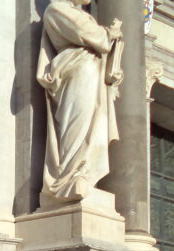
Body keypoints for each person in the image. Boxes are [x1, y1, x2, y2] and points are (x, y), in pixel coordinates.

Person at [37, 0, 123, 202]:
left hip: (90, 71)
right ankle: (69, 176)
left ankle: (83, 171)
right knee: (77, 123)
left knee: (94, 126)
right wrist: (109, 34)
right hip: (76, 70)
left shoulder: (76, 12)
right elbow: (83, 31)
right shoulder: (56, 9)